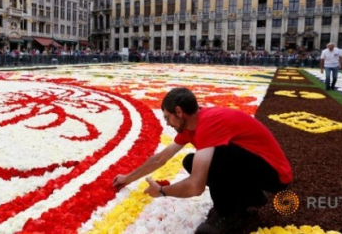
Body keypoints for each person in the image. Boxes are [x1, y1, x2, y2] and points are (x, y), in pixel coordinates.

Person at [113, 87, 293, 234]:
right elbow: (160, 159)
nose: (167, 123)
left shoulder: (208, 124)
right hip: (256, 168)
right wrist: (127, 178)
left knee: (215, 159)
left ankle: (227, 214)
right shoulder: (190, 127)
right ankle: (251, 195)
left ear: (179, 112)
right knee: (191, 161)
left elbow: (195, 186)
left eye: (167, 117)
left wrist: (162, 191)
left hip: (276, 175)